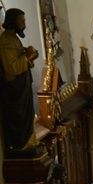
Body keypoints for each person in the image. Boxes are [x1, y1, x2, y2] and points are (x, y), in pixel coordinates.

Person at [0, 8, 40, 152]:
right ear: (13, 21)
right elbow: (12, 68)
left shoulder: (14, 38)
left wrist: (28, 54)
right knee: (20, 118)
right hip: (14, 91)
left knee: (27, 116)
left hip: (22, 88)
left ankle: (28, 142)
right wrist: (26, 56)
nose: (24, 24)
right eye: (22, 21)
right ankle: (21, 145)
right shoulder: (5, 40)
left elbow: (20, 60)